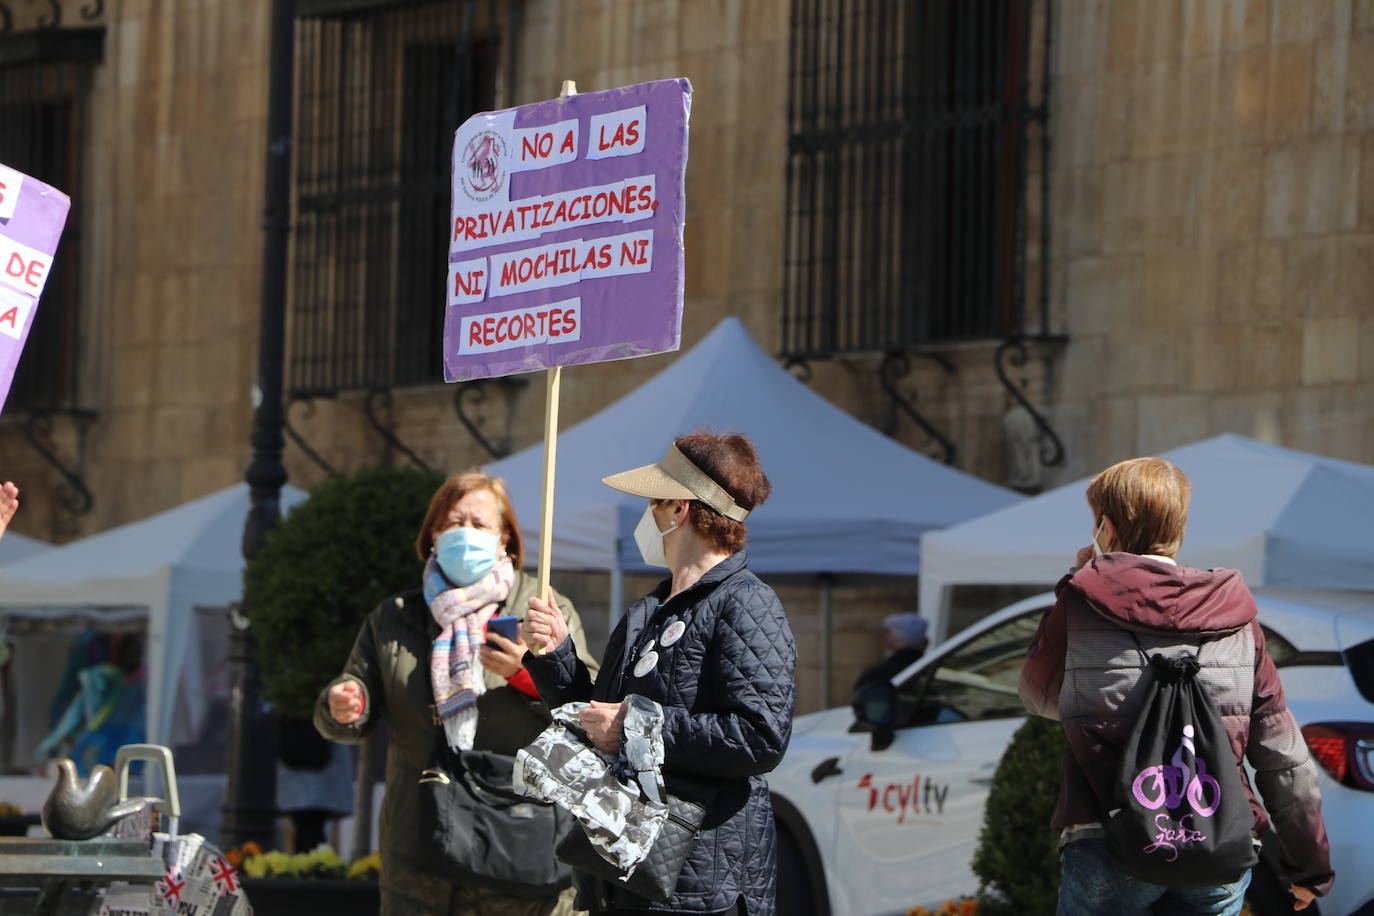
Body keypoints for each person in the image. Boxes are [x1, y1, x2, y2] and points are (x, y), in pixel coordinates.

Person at [1018, 457, 1333, 915]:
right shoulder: (1239, 620)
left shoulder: (1080, 606)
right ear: (1178, 526)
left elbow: (1040, 698)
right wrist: (1309, 869)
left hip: (1108, 841)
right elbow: (1286, 761)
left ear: (1105, 529)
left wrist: (1078, 579)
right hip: (1218, 845)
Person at [523, 432, 797, 916]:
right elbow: (594, 723)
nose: (646, 515)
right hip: (623, 873)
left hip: (698, 885)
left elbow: (760, 737)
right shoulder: (648, 610)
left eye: (654, 502)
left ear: (679, 511)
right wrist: (556, 654)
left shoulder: (746, 602)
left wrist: (634, 727)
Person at [314, 471, 599, 916]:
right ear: (432, 536)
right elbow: (352, 705)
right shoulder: (395, 616)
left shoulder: (543, 608)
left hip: (520, 848)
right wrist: (344, 705)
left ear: (505, 539)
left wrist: (530, 673)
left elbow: (589, 711)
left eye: (480, 524)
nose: (465, 533)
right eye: (453, 522)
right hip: (420, 852)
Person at [852, 612, 929, 693]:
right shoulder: (933, 671)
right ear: (925, 643)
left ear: (891, 641)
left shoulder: (876, 676)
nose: (886, 638)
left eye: (889, 634)